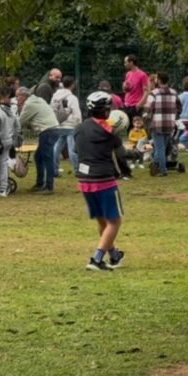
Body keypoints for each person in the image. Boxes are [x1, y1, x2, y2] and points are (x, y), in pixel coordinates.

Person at [74, 91, 132, 271]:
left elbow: (76, 150)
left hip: (84, 180)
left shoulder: (80, 128)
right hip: (104, 180)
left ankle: (114, 255)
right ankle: (96, 259)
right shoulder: (110, 132)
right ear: (106, 110)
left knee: (103, 221)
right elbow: (122, 155)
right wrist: (140, 152)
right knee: (114, 222)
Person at [16, 86, 60, 193]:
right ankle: (40, 183)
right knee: (38, 156)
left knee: (47, 158)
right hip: (52, 129)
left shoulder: (29, 104)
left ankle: (49, 186)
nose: (16, 98)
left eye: (17, 96)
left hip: (47, 131)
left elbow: (20, 122)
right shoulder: (38, 99)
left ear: (23, 96)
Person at [144, 73, 180, 176]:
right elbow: (179, 106)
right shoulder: (174, 93)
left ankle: (162, 170)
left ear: (159, 80)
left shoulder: (154, 93)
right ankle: (155, 164)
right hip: (170, 124)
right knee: (162, 147)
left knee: (159, 148)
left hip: (157, 124)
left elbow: (147, 107)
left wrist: (145, 116)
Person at [0, 87, 18, 197]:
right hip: (8, 140)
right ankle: (3, 189)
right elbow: (17, 126)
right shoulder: (11, 111)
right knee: (3, 164)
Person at [51, 76, 83, 175]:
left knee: (56, 148)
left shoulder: (55, 96)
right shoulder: (72, 98)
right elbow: (77, 113)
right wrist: (79, 124)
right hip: (70, 125)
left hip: (59, 124)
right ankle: (77, 169)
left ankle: (54, 169)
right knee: (72, 149)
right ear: (72, 85)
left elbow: (52, 109)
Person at [122, 55, 150, 121]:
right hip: (127, 105)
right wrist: (125, 87)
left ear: (131, 62)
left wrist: (139, 105)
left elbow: (146, 91)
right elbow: (126, 90)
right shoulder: (128, 74)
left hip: (135, 105)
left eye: (126, 62)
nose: (124, 64)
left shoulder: (142, 75)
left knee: (136, 125)